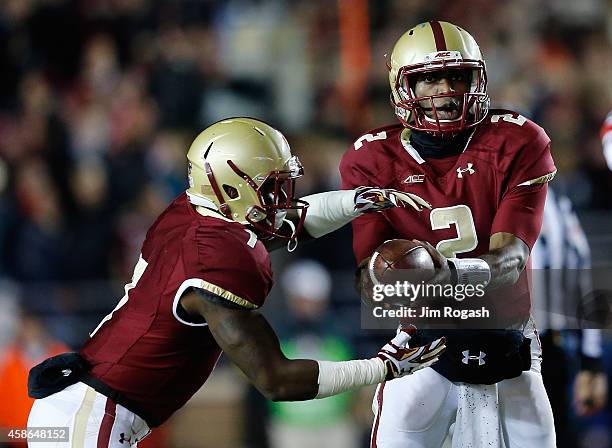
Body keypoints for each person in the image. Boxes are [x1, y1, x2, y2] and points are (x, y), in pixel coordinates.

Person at [26, 117, 445, 447]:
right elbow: (276, 379)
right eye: (273, 187)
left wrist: (359, 200)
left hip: (86, 409)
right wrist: (383, 367)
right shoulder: (215, 256)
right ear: (229, 186)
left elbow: (287, 220)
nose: (282, 197)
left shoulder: (195, 211)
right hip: (92, 419)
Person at [339, 21, 557, 447]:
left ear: (477, 78)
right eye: (428, 79)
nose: (445, 91)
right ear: (403, 88)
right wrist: (385, 282)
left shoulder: (518, 139)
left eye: (456, 76)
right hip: (422, 338)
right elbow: (368, 275)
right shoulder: (372, 158)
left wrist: (448, 274)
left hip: (508, 334)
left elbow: (511, 258)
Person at [532, 187, 608, 447]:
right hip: (481, 351)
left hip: (547, 351)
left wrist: (591, 361)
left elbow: (582, 277)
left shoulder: (555, 200)